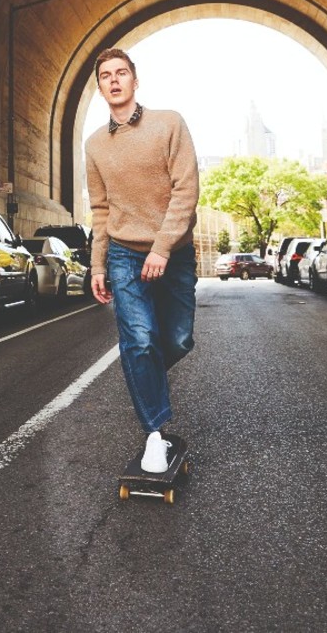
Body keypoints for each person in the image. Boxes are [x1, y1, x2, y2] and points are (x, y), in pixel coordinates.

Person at [86, 47, 199, 473]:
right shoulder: (95, 145)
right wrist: (98, 266)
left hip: (175, 253)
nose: (114, 80)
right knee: (139, 338)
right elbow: (99, 210)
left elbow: (185, 191)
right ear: (100, 88)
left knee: (178, 339)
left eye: (121, 73)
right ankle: (155, 433)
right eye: (105, 76)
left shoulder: (169, 124)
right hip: (123, 253)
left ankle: (142, 374)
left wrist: (162, 248)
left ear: (136, 80)